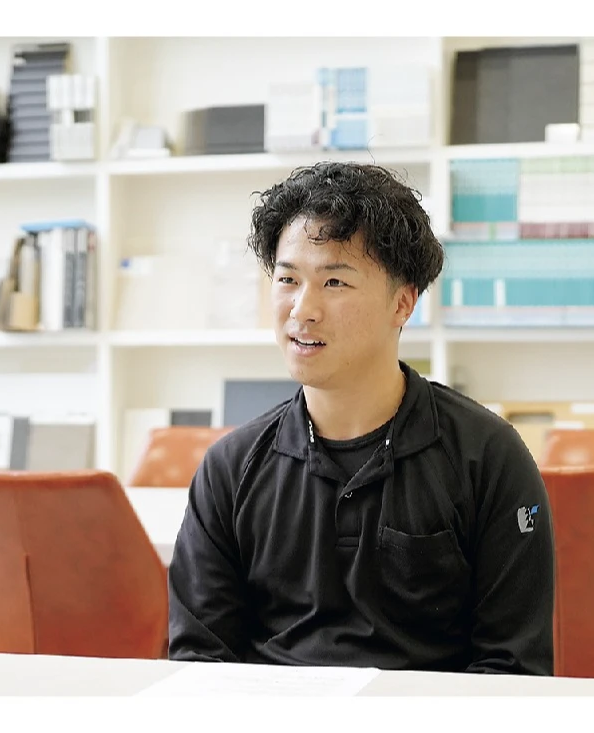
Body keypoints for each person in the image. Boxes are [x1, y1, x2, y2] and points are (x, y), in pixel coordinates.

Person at [167, 161, 554, 675]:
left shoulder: (487, 457)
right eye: (288, 279)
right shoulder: (230, 469)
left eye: (334, 282)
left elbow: (513, 669)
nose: (302, 310)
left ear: (403, 303)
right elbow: (199, 663)